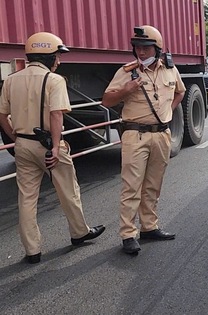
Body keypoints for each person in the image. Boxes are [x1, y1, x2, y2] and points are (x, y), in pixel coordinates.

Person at [0, 32, 105, 264]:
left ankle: (32, 250)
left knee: (27, 198)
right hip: (48, 145)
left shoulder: (11, 79)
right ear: (46, 56)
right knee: (68, 190)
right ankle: (79, 233)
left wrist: (15, 137)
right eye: (57, 55)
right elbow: (56, 114)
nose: (59, 60)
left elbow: (1, 115)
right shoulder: (54, 80)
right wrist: (56, 147)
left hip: (23, 144)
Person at [102, 25, 186, 255]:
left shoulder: (170, 70)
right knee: (132, 186)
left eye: (146, 48)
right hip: (135, 135)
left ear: (157, 49)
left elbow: (180, 91)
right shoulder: (127, 72)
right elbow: (107, 101)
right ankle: (128, 234)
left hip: (161, 134)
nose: (141, 52)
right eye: (138, 48)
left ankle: (149, 226)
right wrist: (126, 90)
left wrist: (167, 112)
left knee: (153, 185)